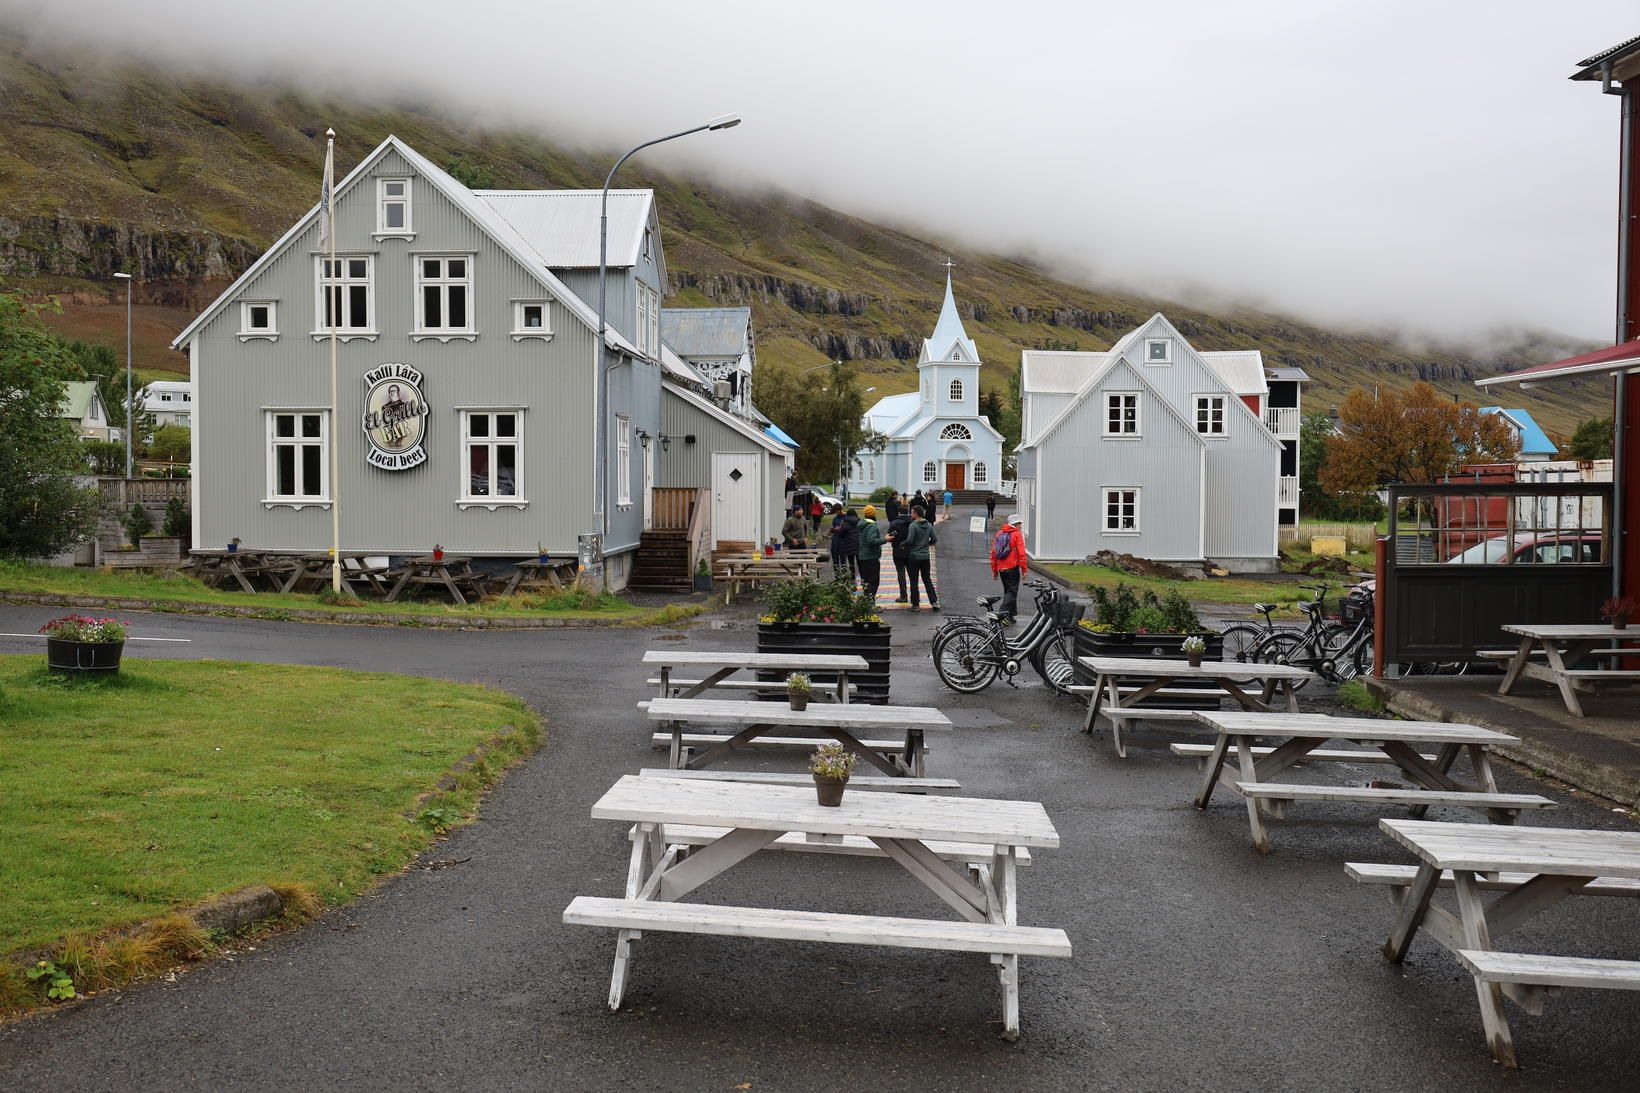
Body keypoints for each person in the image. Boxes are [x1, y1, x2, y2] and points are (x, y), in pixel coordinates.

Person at [990, 514, 1029, 624]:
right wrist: (1024, 569)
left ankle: (1010, 616)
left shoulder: (999, 533)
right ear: (1015, 524)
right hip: (1012, 568)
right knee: (1012, 592)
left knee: (1009, 591)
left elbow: (994, 554)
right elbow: (1021, 553)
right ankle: (1002, 615)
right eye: (1020, 524)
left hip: (1002, 569)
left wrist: (994, 570)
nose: (1021, 526)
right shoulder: (1016, 534)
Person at [903, 505, 939, 611]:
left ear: (916, 514)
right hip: (925, 557)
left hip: (914, 556)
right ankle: (933, 601)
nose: (911, 514)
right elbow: (934, 539)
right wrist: (926, 544)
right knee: (927, 579)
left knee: (914, 581)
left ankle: (915, 604)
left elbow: (910, 540)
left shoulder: (913, 525)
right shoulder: (928, 525)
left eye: (912, 512)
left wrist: (903, 544)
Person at [856, 504, 884, 598]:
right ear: (873, 514)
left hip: (863, 557)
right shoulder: (872, 526)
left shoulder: (862, 524)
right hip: (871, 557)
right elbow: (871, 541)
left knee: (866, 581)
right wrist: (885, 539)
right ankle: (871, 604)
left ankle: (866, 602)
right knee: (874, 581)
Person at [887, 505, 912, 603]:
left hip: (898, 551)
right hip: (910, 551)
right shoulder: (912, 522)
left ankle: (903, 595)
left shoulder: (894, 523)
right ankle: (915, 596)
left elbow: (889, 536)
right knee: (913, 574)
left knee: (901, 574)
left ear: (899, 513)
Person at [833, 506, 861, 578]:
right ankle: (863, 578)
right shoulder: (860, 521)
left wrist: (836, 530)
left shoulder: (845, 522)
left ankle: (853, 577)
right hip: (858, 544)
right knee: (859, 562)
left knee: (851, 563)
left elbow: (840, 534)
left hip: (849, 545)